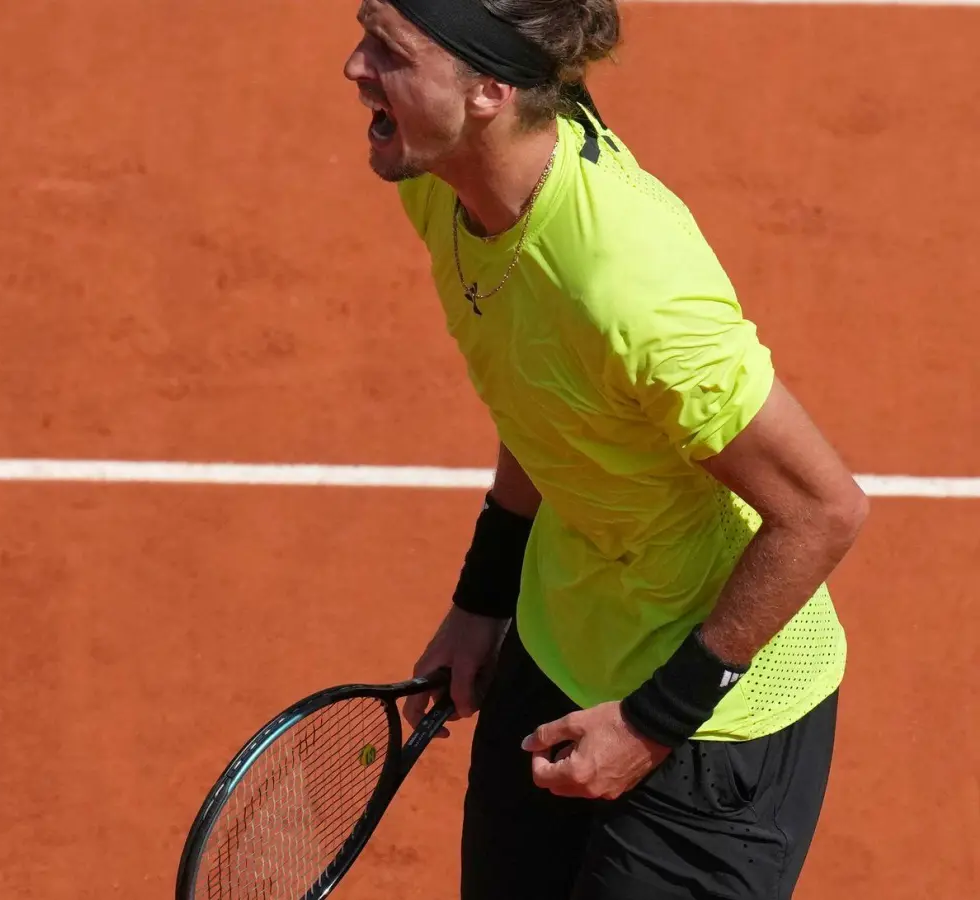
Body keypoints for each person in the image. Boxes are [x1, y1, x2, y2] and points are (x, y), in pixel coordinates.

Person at [343, 0, 870, 897]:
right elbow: (548, 402)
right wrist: (482, 601)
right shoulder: (448, 188)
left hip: (712, 722)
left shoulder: (632, 287)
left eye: (390, 51)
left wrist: (651, 724)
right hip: (561, 645)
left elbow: (823, 511)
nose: (354, 67)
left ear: (489, 90)